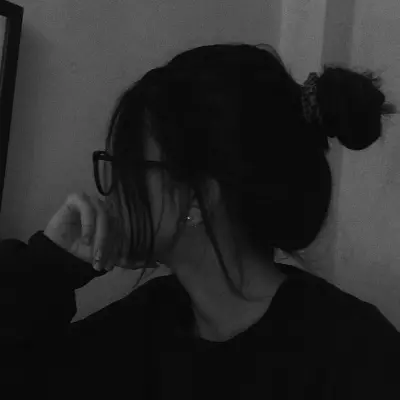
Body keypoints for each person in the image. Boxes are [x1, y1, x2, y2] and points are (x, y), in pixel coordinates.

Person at [1, 42, 400, 399]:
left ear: (199, 195)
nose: (112, 192)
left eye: (129, 165)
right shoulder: (146, 325)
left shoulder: (357, 357)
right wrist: (47, 267)